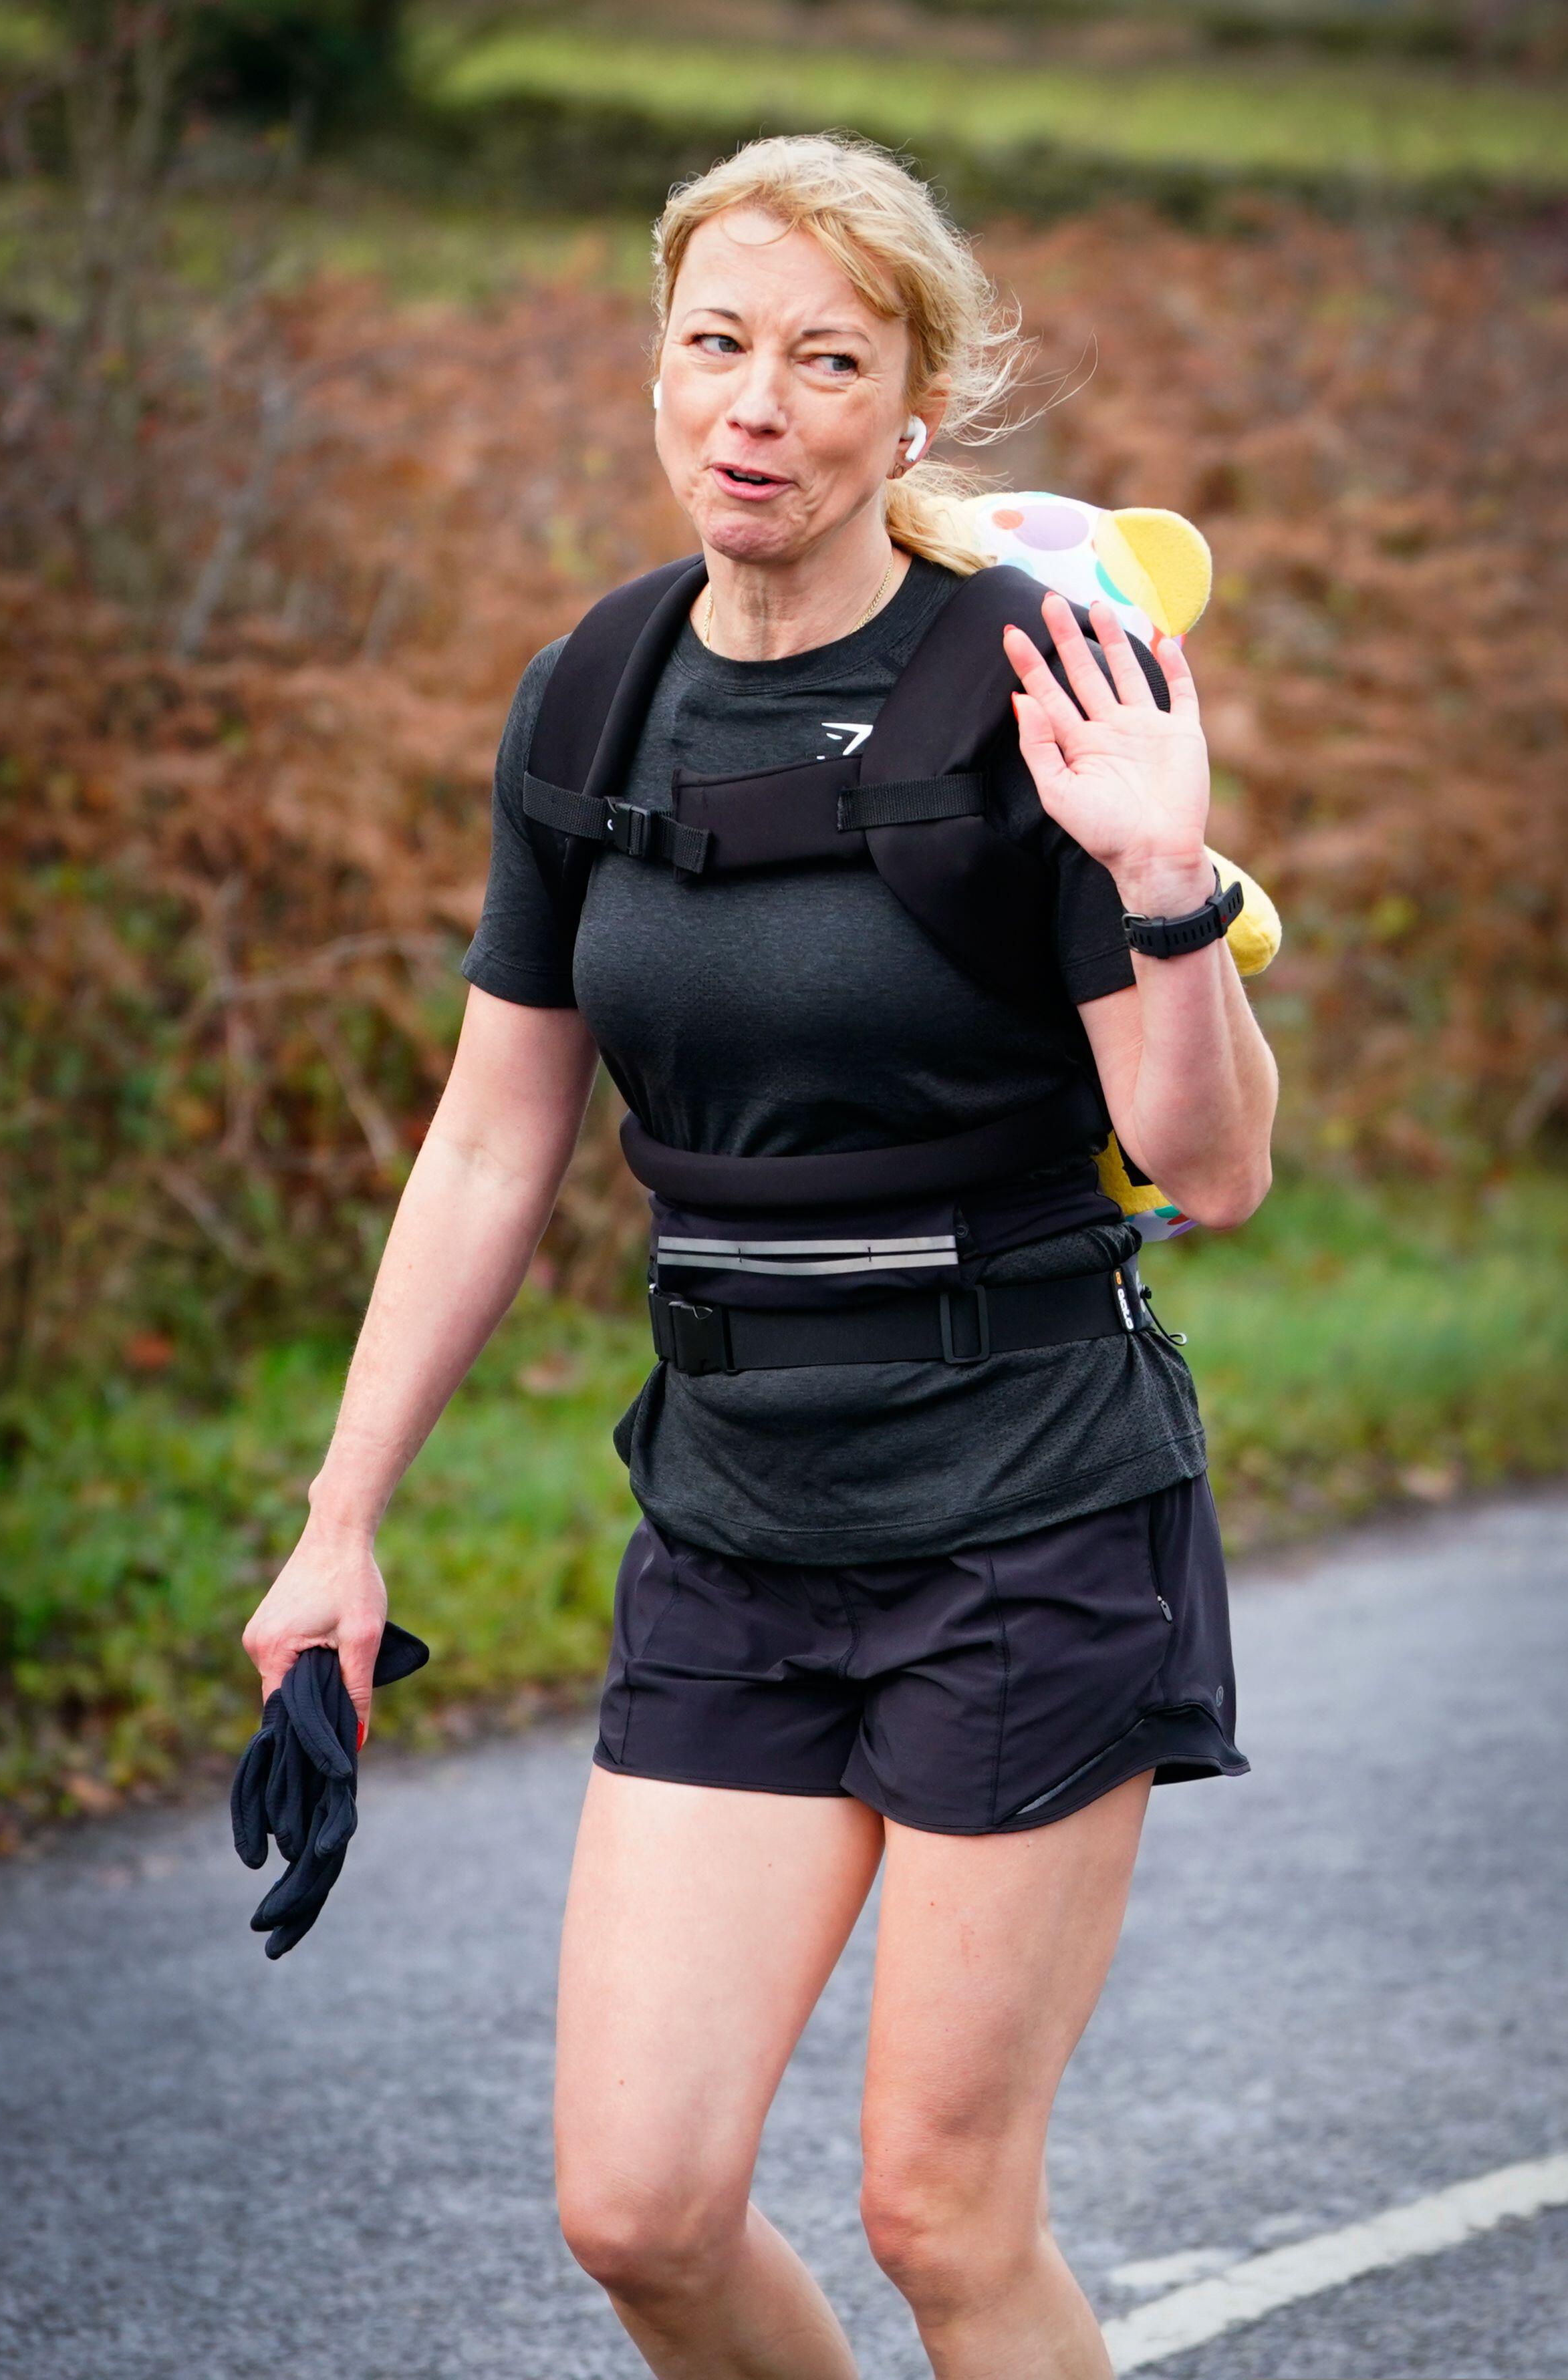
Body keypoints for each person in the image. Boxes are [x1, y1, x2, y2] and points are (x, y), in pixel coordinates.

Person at [243, 133, 1277, 2380]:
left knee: (944, 2217)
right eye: (717, 342)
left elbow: (1211, 1164)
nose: (758, 405)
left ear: (915, 406)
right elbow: (491, 1138)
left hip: (1027, 1512)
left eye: (827, 359)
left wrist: (1165, 883)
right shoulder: (594, 694)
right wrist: (342, 1515)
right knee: (638, 2207)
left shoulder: (1038, 678)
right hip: (735, 1517)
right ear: (658, 363)